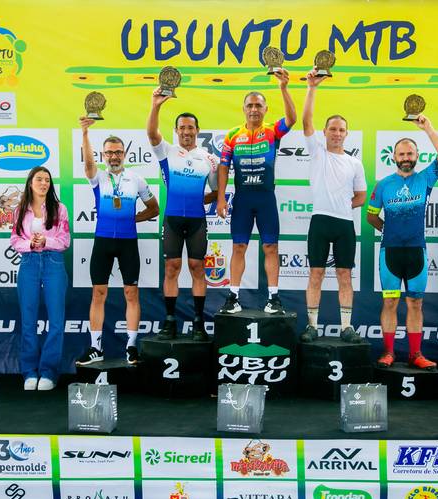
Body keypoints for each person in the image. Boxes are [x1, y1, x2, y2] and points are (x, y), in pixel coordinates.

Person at [366, 116, 438, 370]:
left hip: (417, 252)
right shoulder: (383, 185)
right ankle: (388, 353)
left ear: (416, 156)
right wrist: (389, 230)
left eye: (410, 153)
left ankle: (416, 354)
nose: (405, 157)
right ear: (394, 157)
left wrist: (428, 127)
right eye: (401, 154)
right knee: (390, 302)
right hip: (390, 253)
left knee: (415, 303)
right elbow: (371, 216)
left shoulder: (425, 179)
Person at [76, 118, 160, 366]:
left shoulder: (136, 179)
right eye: (109, 153)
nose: (114, 156)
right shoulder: (98, 177)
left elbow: (154, 208)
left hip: (128, 243)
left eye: (118, 152)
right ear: (103, 155)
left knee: (131, 293)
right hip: (102, 241)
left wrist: (133, 218)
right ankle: (96, 348)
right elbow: (88, 164)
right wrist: (85, 133)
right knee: (98, 293)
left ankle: (131, 346)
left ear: (125, 154)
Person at [216, 67, 297, 314]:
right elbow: (223, 167)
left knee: (270, 247)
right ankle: (233, 297)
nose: (254, 109)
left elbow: (292, 119)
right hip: (242, 198)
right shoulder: (232, 135)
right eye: (250, 105)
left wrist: (283, 87)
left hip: (265, 198)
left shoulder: (272, 131)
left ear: (265, 109)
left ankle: (274, 298)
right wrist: (220, 198)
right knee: (238, 247)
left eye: (258, 105)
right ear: (244, 109)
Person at [298, 68, 367, 344]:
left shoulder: (355, 163)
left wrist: (342, 205)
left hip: (344, 224)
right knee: (315, 273)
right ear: (325, 132)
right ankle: (312, 326)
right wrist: (312, 88)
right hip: (320, 221)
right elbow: (306, 121)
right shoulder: (317, 152)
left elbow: (361, 196)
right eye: (333, 129)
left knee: (344, 275)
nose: (337, 133)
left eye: (341, 130)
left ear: (346, 134)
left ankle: (346, 327)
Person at [146, 88, 219, 341]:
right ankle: (169, 322)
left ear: (197, 130)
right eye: (182, 128)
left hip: (197, 220)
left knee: (197, 267)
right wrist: (156, 105)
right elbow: (151, 133)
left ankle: (198, 323)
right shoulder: (166, 151)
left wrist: (198, 199)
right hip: (173, 219)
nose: (186, 132)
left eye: (190, 128)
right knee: (172, 268)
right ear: (176, 131)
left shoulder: (209, 159)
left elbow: (215, 192)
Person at [10, 166, 70, 391]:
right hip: (29, 263)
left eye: (47, 180)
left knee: (56, 321)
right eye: (39, 179)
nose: (44, 183)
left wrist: (46, 241)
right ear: (30, 183)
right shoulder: (20, 210)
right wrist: (30, 244)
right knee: (28, 320)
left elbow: (65, 240)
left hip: (54, 262)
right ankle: (29, 371)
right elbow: (15, 239)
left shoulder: (59, 208)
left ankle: (48, 372)